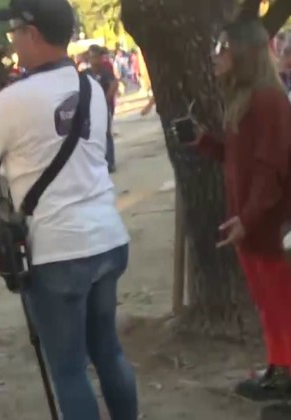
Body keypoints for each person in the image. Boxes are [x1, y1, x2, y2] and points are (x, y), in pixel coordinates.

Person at [0, 0, 138, 418]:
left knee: (69, 370)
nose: (12, 43)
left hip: (58, 250)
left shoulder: (14, 99)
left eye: (14, 33)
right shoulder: (91, 88)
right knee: (108, 351)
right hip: (106, 236)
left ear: (31, 33)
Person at [194, 21, 291, 420]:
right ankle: (279, 370)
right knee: (268, 305)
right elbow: (240, 159)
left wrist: (248, 219)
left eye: (223, 47)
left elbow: (271, 169)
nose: (216, 55)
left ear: (244, 52)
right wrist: (204, 142)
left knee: (280, 304)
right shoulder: (247, 98)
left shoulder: (268, 100)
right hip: (250, 224)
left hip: (266, 225)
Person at [85, 44, 119, 173]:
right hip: (90, 109)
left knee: (106, 134)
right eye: (92, 57)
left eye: (97, 57)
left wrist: (105, 99)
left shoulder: (105, 72)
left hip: (104, 108)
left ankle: (110, 162)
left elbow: (114, 83)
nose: (95, 60)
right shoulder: (86, 74)